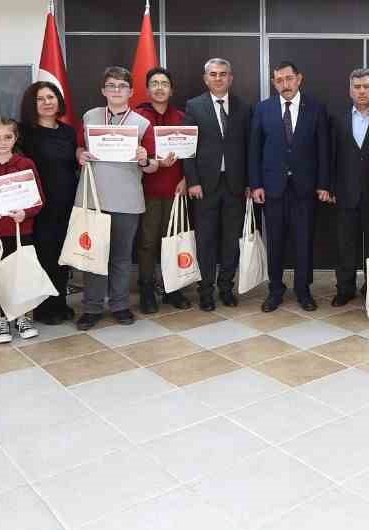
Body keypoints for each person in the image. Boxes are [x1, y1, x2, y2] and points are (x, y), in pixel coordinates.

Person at [76, 66, 158, 329]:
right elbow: (79, 148)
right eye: (111, 86)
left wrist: (145, 159)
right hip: (94, 198)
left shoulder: (143, 123)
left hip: (126, 199)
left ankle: (120, 305)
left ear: (131, 91)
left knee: (121, 256)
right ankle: (92, 307)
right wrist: (80, 154)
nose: (116, 91)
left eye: (122, 86)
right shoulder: (90, 116)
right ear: (103, 90)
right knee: (93, 256)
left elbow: (153, 165)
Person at [248, 60, 332, 312]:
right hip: (272, 188)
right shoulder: (263, 109)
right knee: (275, 241)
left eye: (289, 79)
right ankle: (275, 290)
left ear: (299, 79)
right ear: (274, 83)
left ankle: (303, 290)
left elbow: (323, 149)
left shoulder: (316, 108)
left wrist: (323, 184)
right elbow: (254, 149)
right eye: (279, 80)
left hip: (304, 189)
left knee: (304, 241)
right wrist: (255, 184)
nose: (284, 84)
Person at [183, 58, 252, 311]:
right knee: (206, 241)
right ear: (206, 78)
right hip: (204, 186)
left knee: (231, 241)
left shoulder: (244, 107)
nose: (218, 78)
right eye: (213, 74)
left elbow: (249, 148)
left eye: (223, 74)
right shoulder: (194, 106)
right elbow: (187, 148)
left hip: (235, 185)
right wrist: (192, 181)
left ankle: (226, 287)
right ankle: (206, 291)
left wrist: (249, 182)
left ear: (230, 78)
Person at [0, 116, 45, 343]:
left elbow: (38, 200)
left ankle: (21, 316)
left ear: (15, 138)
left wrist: (26, 213)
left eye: (8, 137)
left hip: (19, 230)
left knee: (19, 275)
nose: (2, 142)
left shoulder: (26, 165)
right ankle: (0, 319)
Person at [17, 80, 77, 324]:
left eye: (51, 97)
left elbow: (73, 165)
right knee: (44, 257)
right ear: (32, 104)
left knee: (63, 256)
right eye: (40, 99)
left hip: (66, 202)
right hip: (39, 207)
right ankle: (44, 308)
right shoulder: (23, 132)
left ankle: (61, 302)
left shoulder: (68, 131)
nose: (47, 103)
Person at [133, 66, 191, 314]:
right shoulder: (136, 117)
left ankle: (172, 289)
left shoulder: (182, 117)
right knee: (147, 243)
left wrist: (187, 178)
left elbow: (192, 153)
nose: (159, 87)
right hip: (145, 189)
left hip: (176, 189)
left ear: (171, 89)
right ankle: (147, 290)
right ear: (147, 89)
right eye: (154, 83)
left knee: (173, 241)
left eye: (164, 83)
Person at [330, 67, 369, 307]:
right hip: (344, 191)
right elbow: (330, 154)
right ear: (350, 91)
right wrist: (327, 186)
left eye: (366, 86)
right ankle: (345, 288)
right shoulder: (337, 117)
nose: (361, 91)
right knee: (344, 244)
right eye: (357, 87)